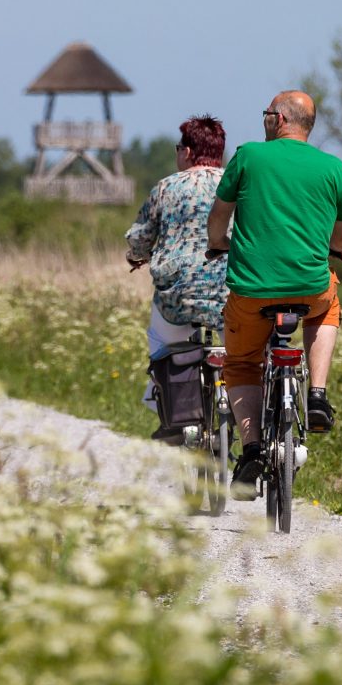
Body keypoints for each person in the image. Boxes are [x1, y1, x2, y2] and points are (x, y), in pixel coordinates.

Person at [207, 90, 342, 500]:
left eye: (265, 114)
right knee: (328, 309)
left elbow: (218, 218)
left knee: (240, 363)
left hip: (252, 293)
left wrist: (219, 242)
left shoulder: (249, 156)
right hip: (310, 290)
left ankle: (253, 447)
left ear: (278, 119)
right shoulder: (335, 168)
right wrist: (331, 250)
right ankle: (318, 396)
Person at [126, 114, 230, 441]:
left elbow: (141, 236)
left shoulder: (166, 187)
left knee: (161, 344)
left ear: (186, 151)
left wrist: (137, 256)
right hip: (231, 294)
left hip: (177, 297)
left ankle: (172, 415)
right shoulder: (237, 185)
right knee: (243, 356)